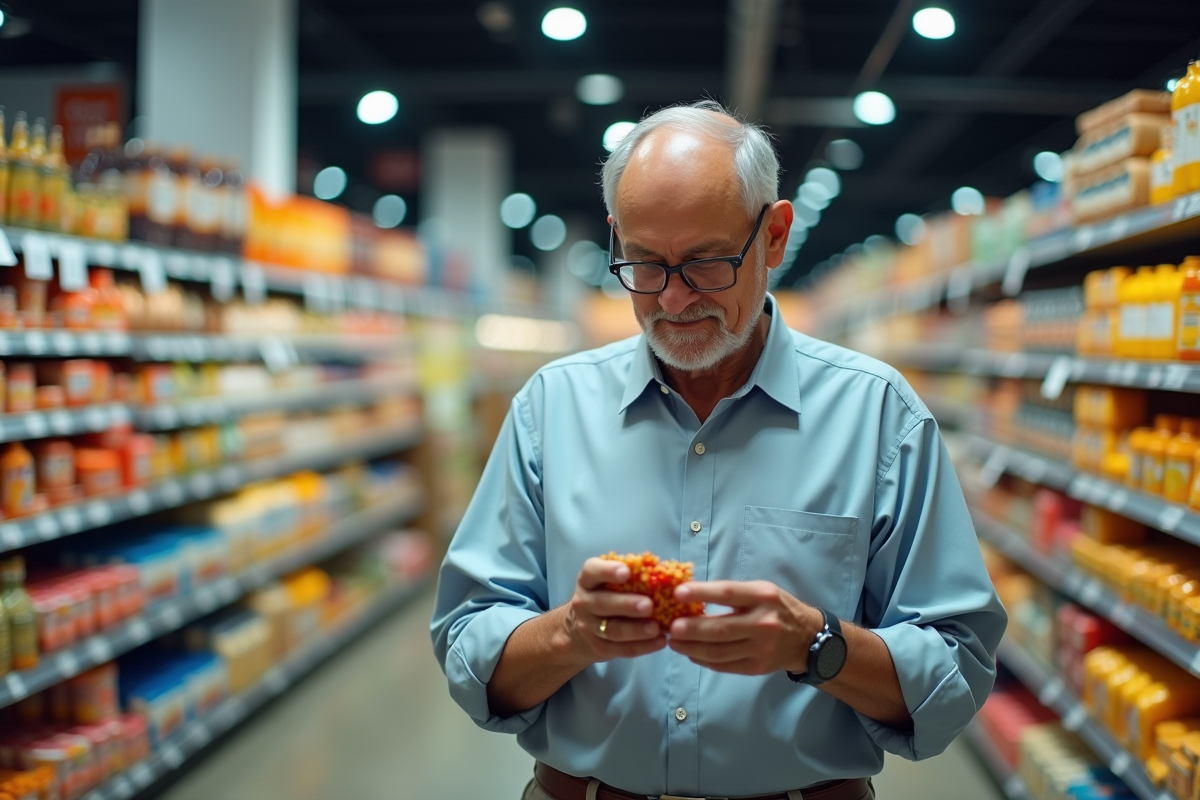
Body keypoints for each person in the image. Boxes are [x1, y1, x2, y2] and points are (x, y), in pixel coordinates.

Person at [431, 99, 1006, 800]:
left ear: (774, 236)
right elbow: (467, 647)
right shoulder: (551, 409)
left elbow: (957, 673)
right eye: (644, 264)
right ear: (616, 239)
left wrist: (815, 645)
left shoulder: (879, 416)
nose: (673, 302)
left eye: (705, 264)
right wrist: (572, 635)